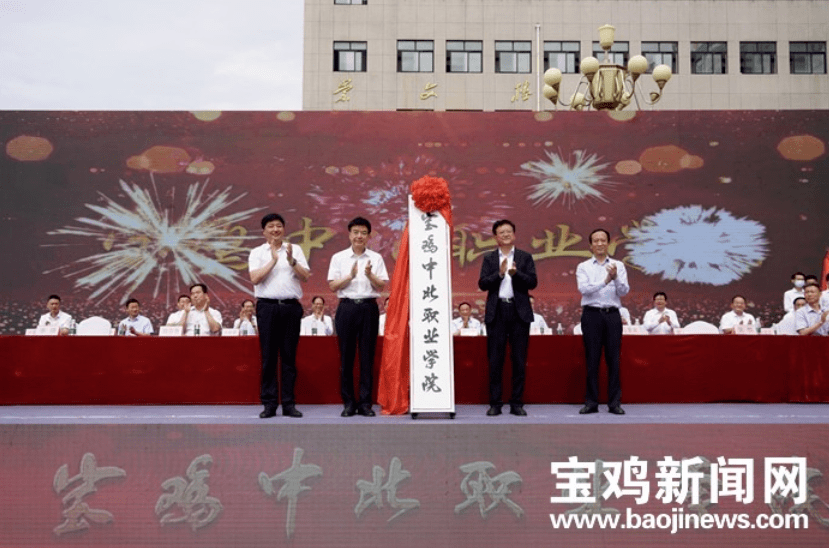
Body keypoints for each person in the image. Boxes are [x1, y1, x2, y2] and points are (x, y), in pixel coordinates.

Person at [249, 213, 310, 419]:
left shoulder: (295, 250)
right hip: (267, 308)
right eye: (271, 227)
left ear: (284, 229)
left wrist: (291, 260)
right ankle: (269, 403)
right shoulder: (257, 252)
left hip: (291, 308)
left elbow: (305, 276)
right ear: (264, 231)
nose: (275, 230)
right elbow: (255, 278)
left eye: (278, 226)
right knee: (268, 358)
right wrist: (273, 261)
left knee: (289, 358)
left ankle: (289, 403)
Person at [328, 217, 389, 417]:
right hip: (346, 308)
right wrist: (350, 276)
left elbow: (381, 285)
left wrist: (369, 274)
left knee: (366, 357)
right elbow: (332, 286)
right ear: (349, 234)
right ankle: (348, 402)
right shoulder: (339, 257)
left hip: (368, 308)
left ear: (369, 236)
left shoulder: (376, 258)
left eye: (363, 232)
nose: (359, 236)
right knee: (346, 357)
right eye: (355, 232)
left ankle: (365, 403)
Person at [478, 219, 537, 417]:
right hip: (497, 312)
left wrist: (516, 273)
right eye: (501, 232)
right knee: (495, 360)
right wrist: (500, 274)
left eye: (508, 231)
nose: (505, 235)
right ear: (495, 237)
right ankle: (495, 403)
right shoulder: (489, 259)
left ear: (514, 234)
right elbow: (483, 284)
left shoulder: (524, 257)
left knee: (519, 360)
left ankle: (516, 403)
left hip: (519, 312)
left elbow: (533, 282)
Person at [576, 228, 629, 415]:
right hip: (592, 315)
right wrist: (606, 280)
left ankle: (614, 403)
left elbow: (623, 291)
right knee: (592, 360)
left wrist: (615, 279)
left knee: (613, 360)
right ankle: (591, 402)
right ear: (590, 245)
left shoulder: (618, 265)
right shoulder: (583, 267)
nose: (599, 244)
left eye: (603, 240)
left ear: (608, 244)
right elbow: (584, 289)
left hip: (612, 315)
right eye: (596, 241)